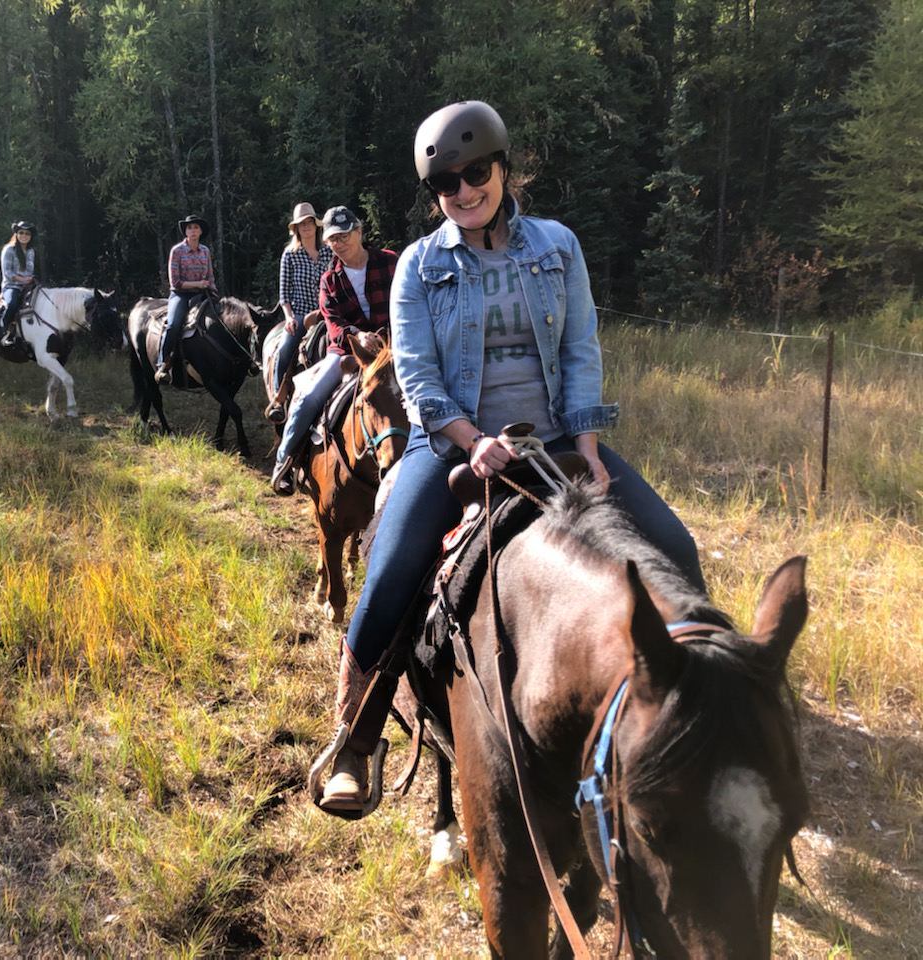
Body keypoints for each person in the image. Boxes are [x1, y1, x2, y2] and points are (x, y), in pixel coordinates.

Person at [314, 100, 705, 813]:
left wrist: (585, 442)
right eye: (447, 184)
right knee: (395, 564)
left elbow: (581, 348)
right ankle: (356, 738)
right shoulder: (420, 268)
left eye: (475, 172)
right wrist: (470, 440)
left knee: (675, 546)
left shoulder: (558, 245)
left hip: (554, 435)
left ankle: (688, 717)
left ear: (502, 167)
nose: (464, 192)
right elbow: (420, 377)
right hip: (455, 443)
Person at [270, 206, 398, 495]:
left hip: (393, 348)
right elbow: (333, 323)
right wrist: (358, 335)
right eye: (333, 239)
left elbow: (407, 303)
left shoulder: (390, 262)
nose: (339, 243)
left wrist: (389, 338)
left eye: (344, 236)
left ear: (359, 232)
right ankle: (285, 461)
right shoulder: (329, 279)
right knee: (308, 397)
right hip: (346, 352)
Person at [267, 202, 334, 423]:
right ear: (295, 229)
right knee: (286, 349)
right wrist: (288, 317)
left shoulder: (328, 251)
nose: (306, 227)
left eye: (309, 223)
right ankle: (278, 399)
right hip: (300, 313)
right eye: (301, 224)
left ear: (316, 225)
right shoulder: (290, 255)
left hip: (327, 312)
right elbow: (284, 294)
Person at [155, 214, 218, 384]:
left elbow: (210, 276)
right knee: (174, 324)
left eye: (196, 227)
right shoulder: (177, 251)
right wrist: (198, 283)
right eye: (190, 228)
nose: (193, 231)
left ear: (200, 231)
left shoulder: (205, 251)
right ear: (186, 231)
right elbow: (175, 282)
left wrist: (214, 292)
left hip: (203, 293)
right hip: (181, 294)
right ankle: (163, 363)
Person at [0, 221, 37, 347]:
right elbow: (7, 272)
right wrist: (23, 280)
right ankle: (6, 332)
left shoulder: (31, 251)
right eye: (21, 232)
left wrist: (30, 280)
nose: (24, 235)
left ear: (30, 236)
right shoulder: (9, 249)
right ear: (16, 234)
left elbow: (30, 271)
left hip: (27, 286)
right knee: (12, 304)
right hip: (11, 286)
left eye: (27, 233)